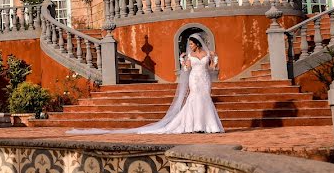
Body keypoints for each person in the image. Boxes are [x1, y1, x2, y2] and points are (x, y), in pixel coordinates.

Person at [67, 33, 224, 135]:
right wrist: (182, 60)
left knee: (205, 99)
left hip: (204, 78)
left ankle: (209, 125)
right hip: (194, 79)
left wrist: (215, 62)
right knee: (194, 99)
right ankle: (196, 126)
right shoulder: (190, 55)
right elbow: (187, 68)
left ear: (197, 44)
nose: (190, 46)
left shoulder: (206, 54)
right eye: (189, 44)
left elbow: (211, 67)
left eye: (191, 44)